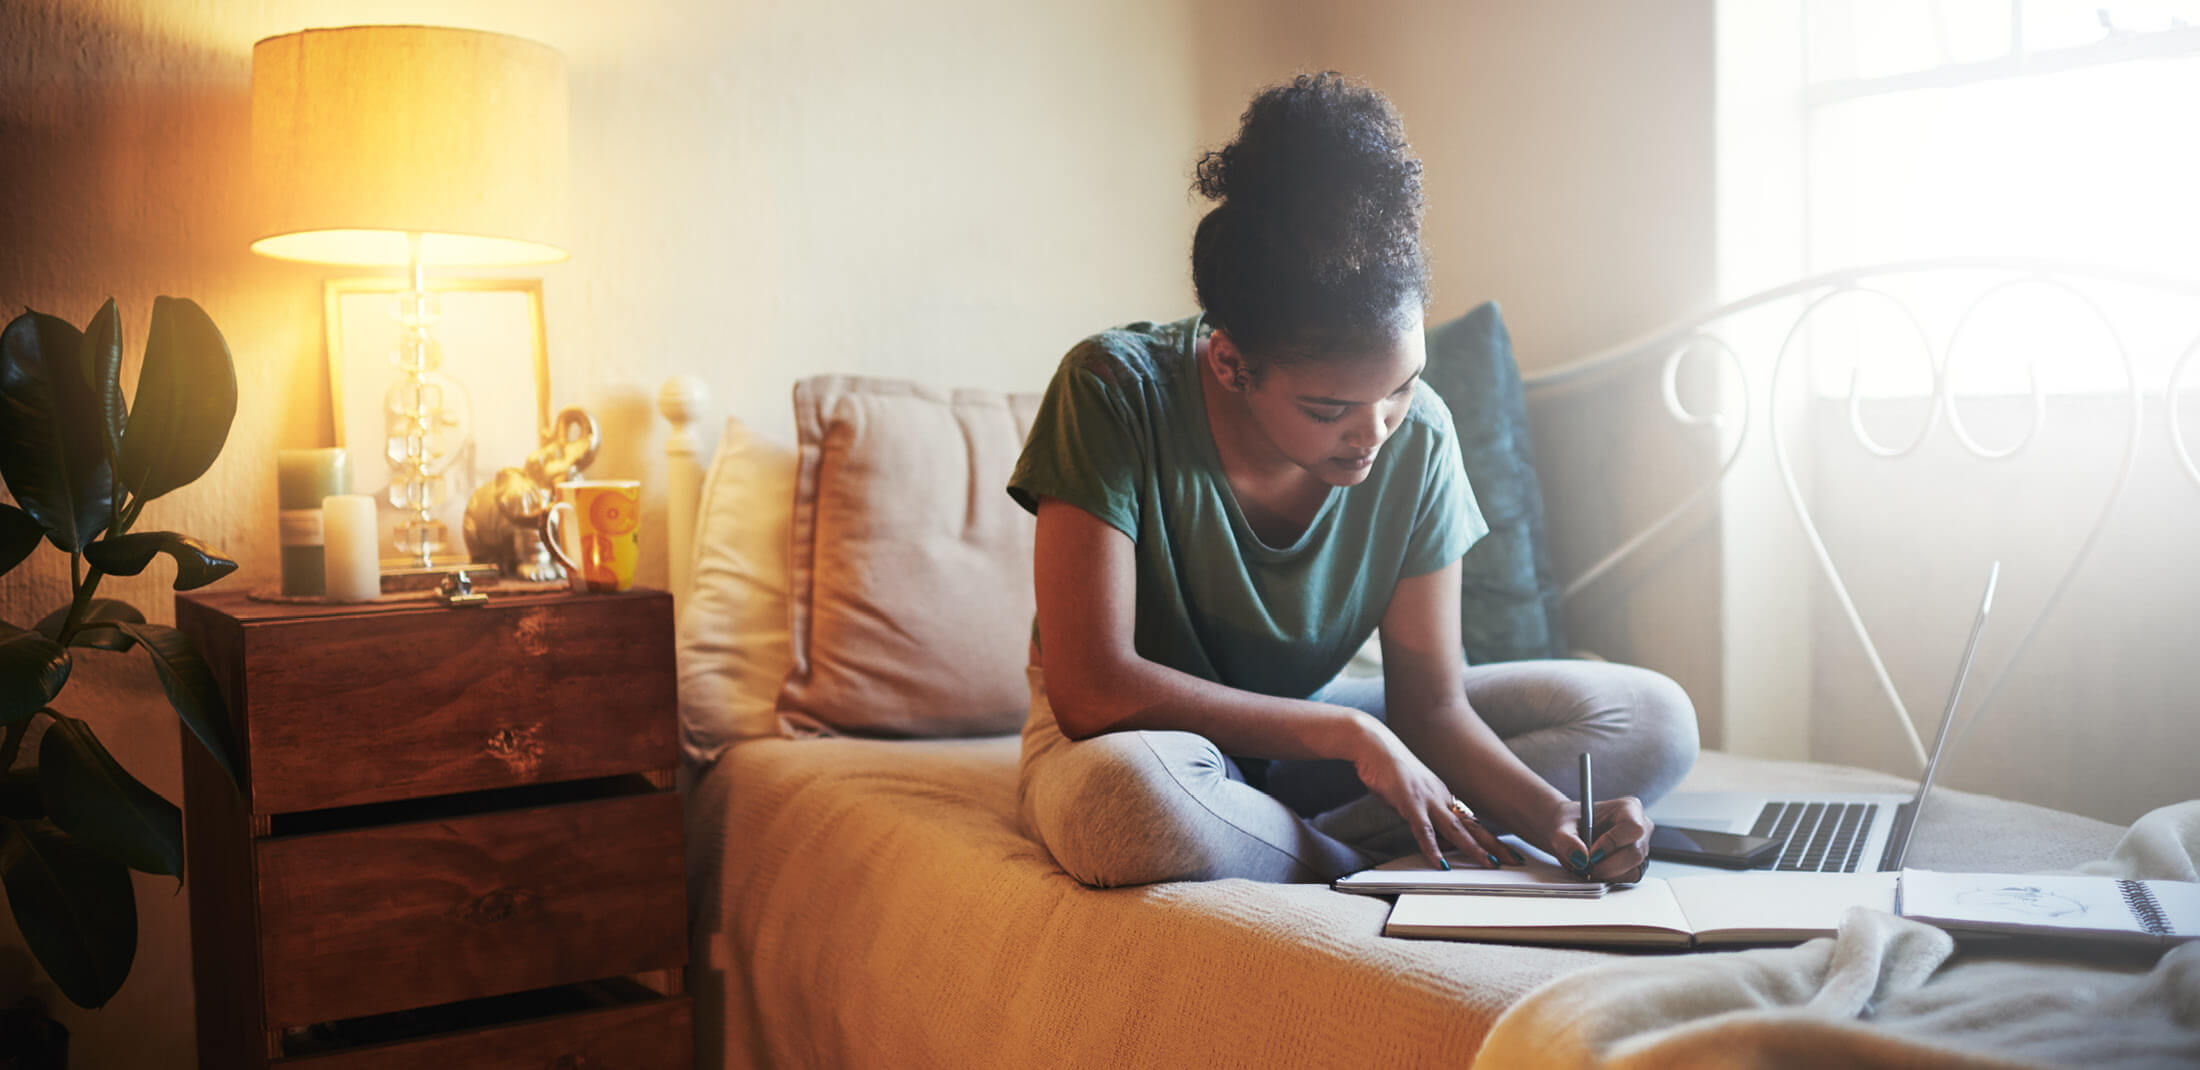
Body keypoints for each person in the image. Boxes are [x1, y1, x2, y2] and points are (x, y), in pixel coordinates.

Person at [1007, 72, 1697, 888]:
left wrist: (1558, 821)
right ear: (1232, 364)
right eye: (1330, 405)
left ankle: (1283, 841)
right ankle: (1354, 858)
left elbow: (1431, 711)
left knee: (1654, 719)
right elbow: (1091, 690)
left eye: (1400, 388)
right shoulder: (1113, 391)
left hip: (1308, 753)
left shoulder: (1424, 436)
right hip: (1138, 746)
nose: (1374, 433)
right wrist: (1347, 735)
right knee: (1127, 808)